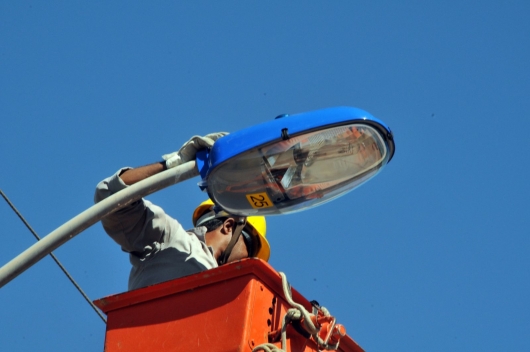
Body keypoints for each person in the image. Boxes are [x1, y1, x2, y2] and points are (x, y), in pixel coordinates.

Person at [94, 133, 270, 291]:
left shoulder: (228, 293)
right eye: (251, 248)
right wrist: (175, 165)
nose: (249, 261)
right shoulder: (170, 240)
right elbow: (110, 194)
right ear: (229, 226)